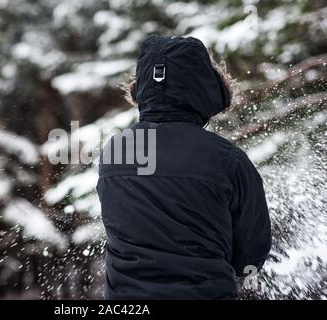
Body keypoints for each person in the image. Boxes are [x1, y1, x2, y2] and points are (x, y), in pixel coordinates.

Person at [97, 35, 272, 299]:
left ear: (141, 87)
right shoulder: (228, 160)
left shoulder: (116, 151)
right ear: (205, 87)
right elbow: (250, 254)